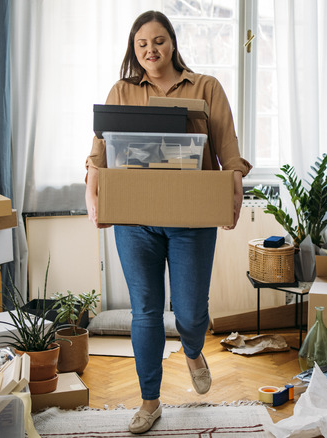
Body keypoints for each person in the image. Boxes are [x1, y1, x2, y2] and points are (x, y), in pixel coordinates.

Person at [84, 10, 251, 434]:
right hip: (135, 219)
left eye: (158, 41)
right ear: (133, 49)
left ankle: (193, 349)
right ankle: (149, 402)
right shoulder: (121, 92)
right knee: (145, 312)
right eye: (141, 44)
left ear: (172, 43)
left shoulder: (205, 87)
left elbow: (228, 150)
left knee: (191, 313)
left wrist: (232, 193)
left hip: (191, 217)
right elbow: (98, 157)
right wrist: (93, 197)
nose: (150, 50)